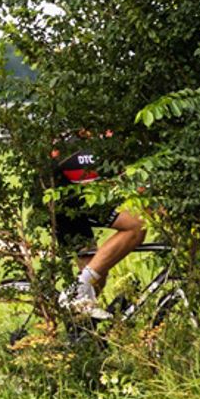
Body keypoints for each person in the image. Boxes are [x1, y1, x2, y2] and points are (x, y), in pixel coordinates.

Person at [50, 129, 146, 318]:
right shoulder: (76, 136)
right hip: (64, 199)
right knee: (136, 225)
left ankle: (79, 334)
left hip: (72, 197)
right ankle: (78, 289)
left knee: (97, 276)